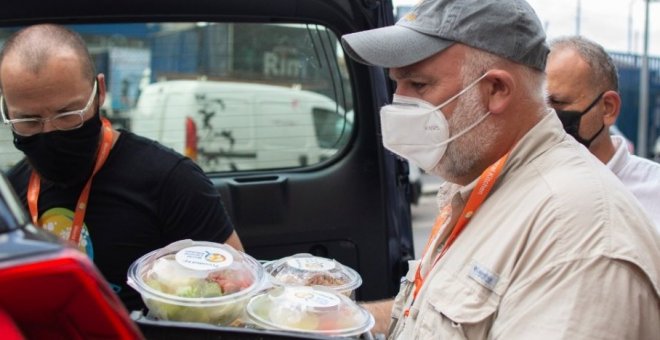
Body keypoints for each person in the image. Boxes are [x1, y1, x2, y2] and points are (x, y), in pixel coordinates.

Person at [341, 0, 660, 338]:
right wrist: (338, 318)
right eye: (396, 85)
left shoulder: (577, 236)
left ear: (496, 90)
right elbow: (423, 315)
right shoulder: (477, 184)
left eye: (418, 85)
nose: (398, 103)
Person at [0, 24, 243, 312]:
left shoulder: (172, 180)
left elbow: (236, 290)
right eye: (28, 121)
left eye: (68, 115)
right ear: (6, 110)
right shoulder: (10, 197)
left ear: (99, 92)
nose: (50, 131)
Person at [546, 35, 660, 230]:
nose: (545, 117)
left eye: (558, 103)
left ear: (608, 108)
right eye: (537, 105)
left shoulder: (654, 194)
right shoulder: (519, 183)